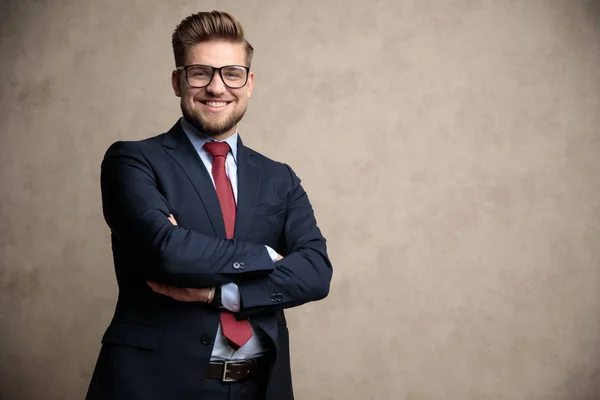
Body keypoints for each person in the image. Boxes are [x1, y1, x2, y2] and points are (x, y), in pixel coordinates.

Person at [85, 10, 333, 400]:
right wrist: (270, 255)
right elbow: (167, 254)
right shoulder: (133, 161)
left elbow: (317, 273)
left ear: (249, 83)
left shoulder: (278, 177)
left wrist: (215, 293)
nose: (217, 87)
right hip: (152, 384)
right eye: (200, 72)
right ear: (177, 81)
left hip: (260, 386)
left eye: (231, 73)